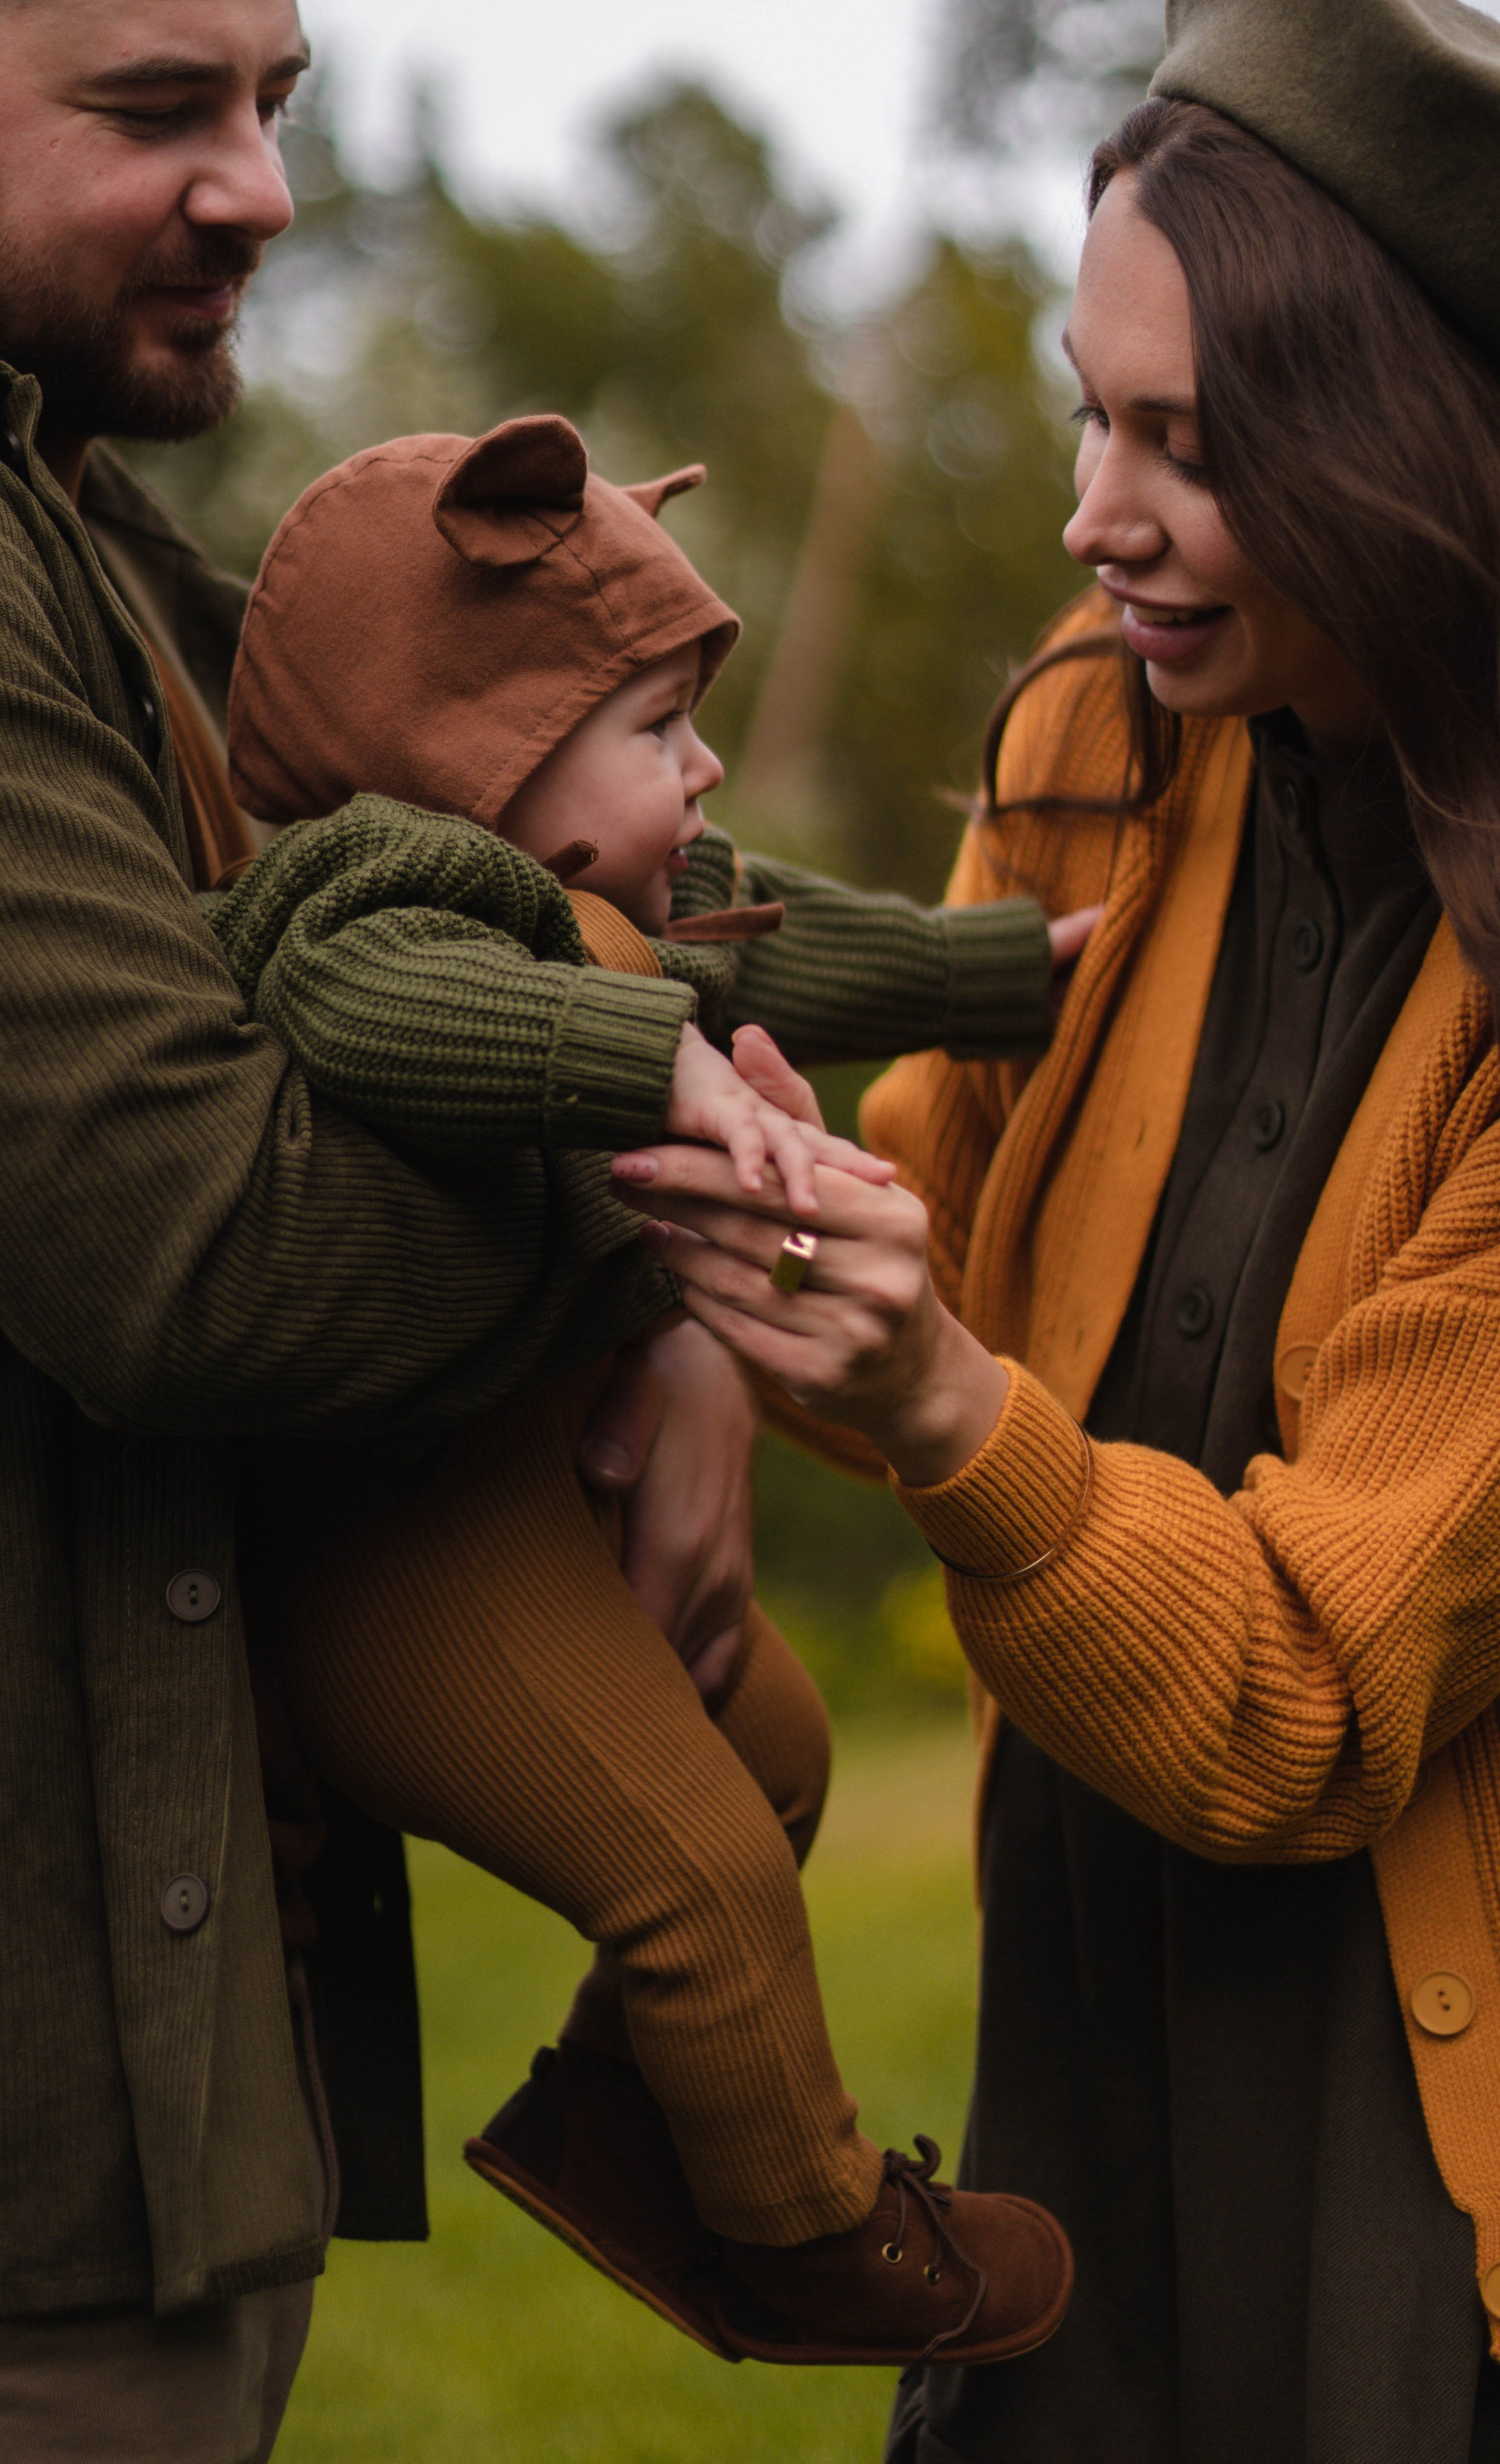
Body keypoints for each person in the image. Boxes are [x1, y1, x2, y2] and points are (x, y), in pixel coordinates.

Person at [0, 1, 805, 2453]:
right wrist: (652, 1234)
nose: (262, 186)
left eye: (275, 100)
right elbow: (213, 1252)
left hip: (96, 2134)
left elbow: (492, 910)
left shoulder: (32, 501)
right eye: (154, 108)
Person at [605, 4, 1500, 2457]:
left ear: (1399, 443)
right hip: (1079, 1986)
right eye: (1093, 409)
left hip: (1405, 2097)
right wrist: (707, 1322)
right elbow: (939, 1174)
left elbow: (1307, 1695)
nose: (1096, 514)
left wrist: (935, 1409)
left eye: (1191, 448)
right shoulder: (1096, 748)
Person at [209, 410, 1076, 2368]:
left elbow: (793, 945)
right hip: (404, 1545)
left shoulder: (617, 887)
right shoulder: (369, 884)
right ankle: (808, 2234)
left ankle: (628, 2121)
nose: (698, 768)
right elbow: (383, 1008)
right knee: (697, 1878)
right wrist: (653, 1062)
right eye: (653, 725)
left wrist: (1004, 967)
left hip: (542, 1503)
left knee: (776, 1759)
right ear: (475, 747)